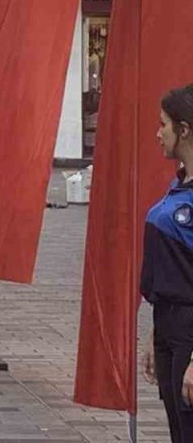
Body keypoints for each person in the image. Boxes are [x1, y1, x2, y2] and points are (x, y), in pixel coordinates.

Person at [142, 84, 193, 442]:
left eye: (164, 125)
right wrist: (155, 333)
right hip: (169, 325)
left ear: (184, 130)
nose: (158, 133)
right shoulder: (180, 185)